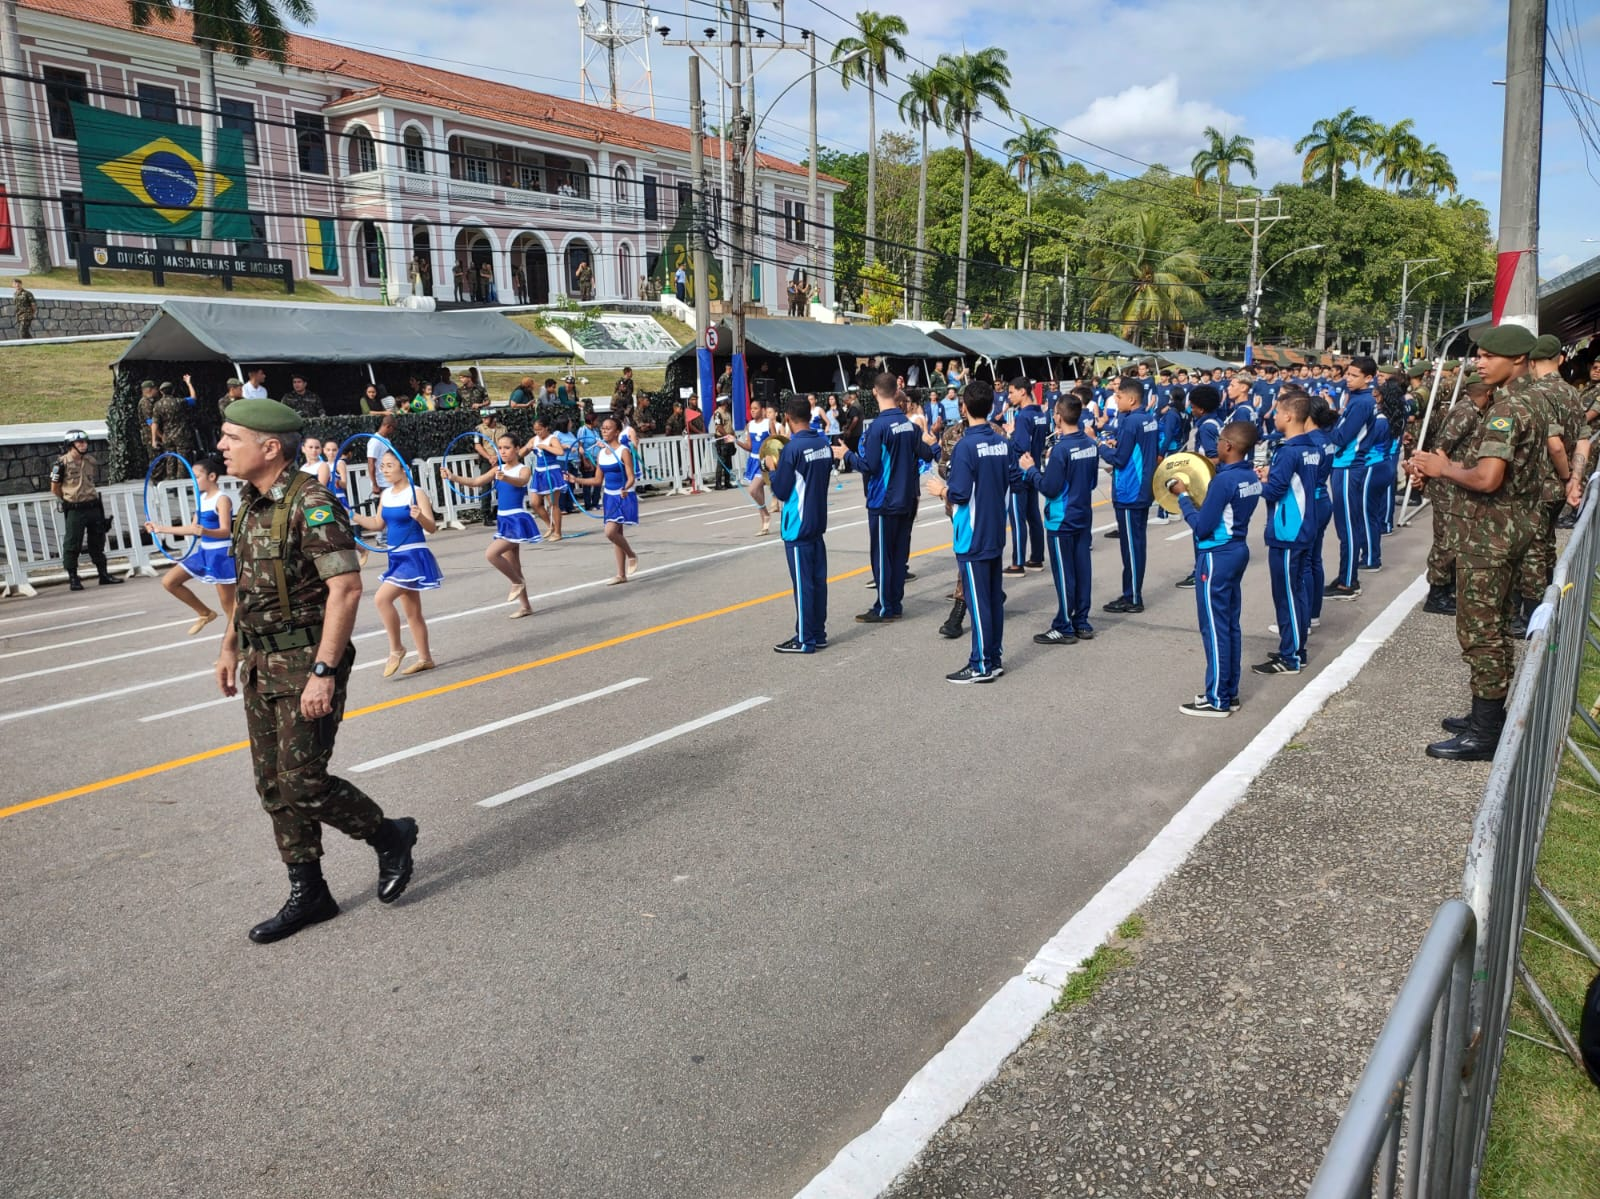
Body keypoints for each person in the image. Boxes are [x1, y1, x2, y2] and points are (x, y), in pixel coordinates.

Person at [215, 399, 418, 943]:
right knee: (272, 786)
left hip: (307, 659)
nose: (221, 446)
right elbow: (248, 588)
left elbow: (346, 588)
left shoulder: (313, 502)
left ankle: (389, 835)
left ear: (269, 446)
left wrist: (325, 670)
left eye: (231, 437)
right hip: (261, 662)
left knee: (303, 781)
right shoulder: (252, 503)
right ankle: (311, 891)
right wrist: (229, 645)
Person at [1408, 323, 1544, 761]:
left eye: (1488, 356)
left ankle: (1484, 734)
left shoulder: (1508, 410)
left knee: (1480, 632)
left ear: (1517, 359)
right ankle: (1488, 717)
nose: (1480, 363)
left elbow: (1488, 478)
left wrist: (1442, 468)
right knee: (1499, 627)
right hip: (1511, 529)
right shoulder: (1527, 401)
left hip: (1489, 537)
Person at [925, 380, 1016, 683]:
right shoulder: (1002, 442)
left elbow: (960, 494)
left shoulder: (965, 445)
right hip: (994, 531)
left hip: (973, 534)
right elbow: (1013, 478)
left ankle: (980, 664)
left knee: (979, 603)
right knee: (991, 600)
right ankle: (994, 657)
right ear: (991, 406)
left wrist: (941, 490)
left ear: (963, 406)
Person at [1170, 421, 1261, 717]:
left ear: (1229, 446)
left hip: (1216, 555)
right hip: (1237, 549)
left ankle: (1218, 698)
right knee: (1229, 625)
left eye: (1220, 440)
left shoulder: (1223, 481)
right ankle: (1227, 691)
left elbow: (1202, 527)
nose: (1217, 444)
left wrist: (1183, 497)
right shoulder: (1248, 475)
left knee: (1214, 628)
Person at [836, 374, 938, 622]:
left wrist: (846, 454)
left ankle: (885, 606)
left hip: (883, 500)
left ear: (874, 392)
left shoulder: (878, 428)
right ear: (896, 392)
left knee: (882, 555)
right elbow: (927, 453)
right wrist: (935, 445)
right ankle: (895, 602)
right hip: (907, 498)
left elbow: (869, 465)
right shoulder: (910, 426)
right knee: (899, 552)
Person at [351, 448, 442, 678]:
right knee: (412, 612)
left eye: (390, 465)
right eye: (383, 466)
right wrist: (350, 515)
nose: (385, 470)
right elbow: (377, 524)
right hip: (396, 556)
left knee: (382, 599)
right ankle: (425, 658)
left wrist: (419, 516)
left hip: (413, 555)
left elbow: (431, 527)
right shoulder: (386, 494)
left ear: (403, 468)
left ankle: (396, 649)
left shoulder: (416, 492)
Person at [1253, 391, 1320, 676]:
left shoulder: (1288, 451)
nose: (1274, 416)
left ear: (1289, 416)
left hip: (1287, 530)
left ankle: (1291, 655)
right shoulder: (1311, 447)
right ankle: (1294, 647)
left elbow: (1276, 490)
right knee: (1298, 591)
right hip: (1304, 526)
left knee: (1287, 595)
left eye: (1278, 412)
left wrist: (1255, 483)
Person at [1022, 395, 1099, 645]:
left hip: (1061, 519)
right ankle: (1082, 621)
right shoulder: (1089, 443)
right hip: (1082, 514)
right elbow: (1092, 482)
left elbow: (1050, 488)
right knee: (1082, 570)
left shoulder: (1061, 449)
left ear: (1058, 416)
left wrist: (1031, 470)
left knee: (1065, 574)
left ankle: (1064, 625)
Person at [1418, 380, 1494, 616]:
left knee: (1455, 538)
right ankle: (1437, 594)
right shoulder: (1465, 413)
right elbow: (1441, 449)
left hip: (1455, 483)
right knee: (1446, 539)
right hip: (1446, 486)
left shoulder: (1473, 410)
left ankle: (1448, 587)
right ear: (1488, 393)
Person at [443, 435, 539, 620]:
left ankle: (516, 582)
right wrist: (452, 476)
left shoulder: (523, 469)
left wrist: (506, 478)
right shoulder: (497, 469)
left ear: (517, 449)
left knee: (491, 554)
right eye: (500, 448)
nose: (502, 451)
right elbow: (476, 482)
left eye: (507, 447)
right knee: (514, 565)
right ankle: (525, 605)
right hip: (503, 520)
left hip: (516, 519)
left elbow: (522, 482)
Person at [143, 453, 237, 636]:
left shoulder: (222, 499)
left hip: (221, 555)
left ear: (212, 477)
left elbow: (226, 531)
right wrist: (159, 528)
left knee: (229, 607)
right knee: (170, 581)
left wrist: (206, 532)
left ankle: (239, 646)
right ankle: (205, 613)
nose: (193, 480)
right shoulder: (201, 499)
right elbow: (192, 529)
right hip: (204, 552)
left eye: (197, 476)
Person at [769, 394, 835, 653]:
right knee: (818, 582)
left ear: (787, 417)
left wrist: (772, 469)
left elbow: (783, 491)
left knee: (803, 584)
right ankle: (817, 632)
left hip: (797, 524)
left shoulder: (792, 449)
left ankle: (804, 638)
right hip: (818, 521)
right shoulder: (823, 443)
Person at [1098, 377, 1161, 612]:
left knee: (1132, 547)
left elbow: (1120, 459)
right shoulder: (1148, 419)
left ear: (1132, 399)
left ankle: (1133, 596)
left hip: (1130, 491)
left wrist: (1100, 446)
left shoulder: (1131, 422)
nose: (1116, 399)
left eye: (1119, 396)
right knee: (1136, 544)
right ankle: (1131, 592)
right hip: (1143, 487)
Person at [1324, 357, 1381, 601]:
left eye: (1354, 375)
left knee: (1347, 525)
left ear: (1369, 378)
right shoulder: (1357, 399)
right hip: (1345, 465)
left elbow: (1341, 437)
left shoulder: (1362, 402)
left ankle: (1348, 582)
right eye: (1348, 374)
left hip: (1349, 466)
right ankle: (1346, 575)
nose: (1348, 379)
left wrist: (1322, 423)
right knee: (1348, 523)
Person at [571, 415, 640, 585]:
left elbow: (631, 476)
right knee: (617, 534)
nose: (604, 430)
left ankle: (631, 555)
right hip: (609, 496)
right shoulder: (601, 453)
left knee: (610, 532)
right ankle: (621, 574)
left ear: (617, 432)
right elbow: (596, 481)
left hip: (623, 495)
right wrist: (576, 480)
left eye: (608, 428)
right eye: (602, 428)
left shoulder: (624, 451)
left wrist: (626, 488)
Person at [51, 429, 123, 591]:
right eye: (79, 442)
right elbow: (55, 487)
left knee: (97, 541)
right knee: (72, 543)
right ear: (71, 445)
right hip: (75, 508)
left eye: (85, 442)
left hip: (93, 505)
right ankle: (73, 578)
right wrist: (67, 499)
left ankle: (103, 575)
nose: (84, 445)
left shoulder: (90, 461)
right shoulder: (61, 463)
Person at [1004, 377, 1047, 576]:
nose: (1009, 395)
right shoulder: (1040, 413)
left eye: (1012, 392)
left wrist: (1010, 435)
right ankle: (1037, 557)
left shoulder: (1022, 417)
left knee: (1018, 518)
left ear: (1023, 392)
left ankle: (1017, 563)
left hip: (1019, 472)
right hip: (1033, 468)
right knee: (1033, 515)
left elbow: (1020, 446)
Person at [736, 397, 776, 536]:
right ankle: (764, 524)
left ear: (762, 410)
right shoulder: (749, 425)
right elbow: (749, 446)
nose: (753, 411)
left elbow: (775, 442)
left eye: (756, 408)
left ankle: (766, 514)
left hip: (765, 461)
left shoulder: (768, 423)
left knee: (753, 490)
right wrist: (735, 441)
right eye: (751, 409)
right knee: (758, 492)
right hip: (753, 461)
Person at [523, 418, 567, 541]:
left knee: (553, 504)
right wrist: (527, 448)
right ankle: (550, 525)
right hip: (539, 472)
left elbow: (560, 452)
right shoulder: (534, 439)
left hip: (551, 471)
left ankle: (558, 532)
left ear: (546, 428)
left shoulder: (552, 439)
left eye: (540, 430)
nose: (538, 432)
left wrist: (545, 447)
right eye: (535, 430)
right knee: (534, 503)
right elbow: (522, 453)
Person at [153, 379, 198, 480]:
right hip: (181, 435)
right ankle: (181, 482)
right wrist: (189, 383)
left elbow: (155, 423)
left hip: (167, 436)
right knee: (182, 459)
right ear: (173, 390)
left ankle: (171, 480)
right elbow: (193, 398)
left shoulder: (157, 405)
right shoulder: (179, 401)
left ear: (161, 392)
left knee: (170, 458)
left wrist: (154, 439)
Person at [711, 397, 736, 490]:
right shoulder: (718, 413)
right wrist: (727, 435)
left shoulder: (728, 413)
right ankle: (718, 484)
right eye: (726, 402)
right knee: (721, 462)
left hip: (728, 439)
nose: (728, 403)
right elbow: (719, 427)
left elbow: (729, 426)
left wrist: (733, 434)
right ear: (723, 402)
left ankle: (727, 482)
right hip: (721, 439)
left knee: (728, 462)